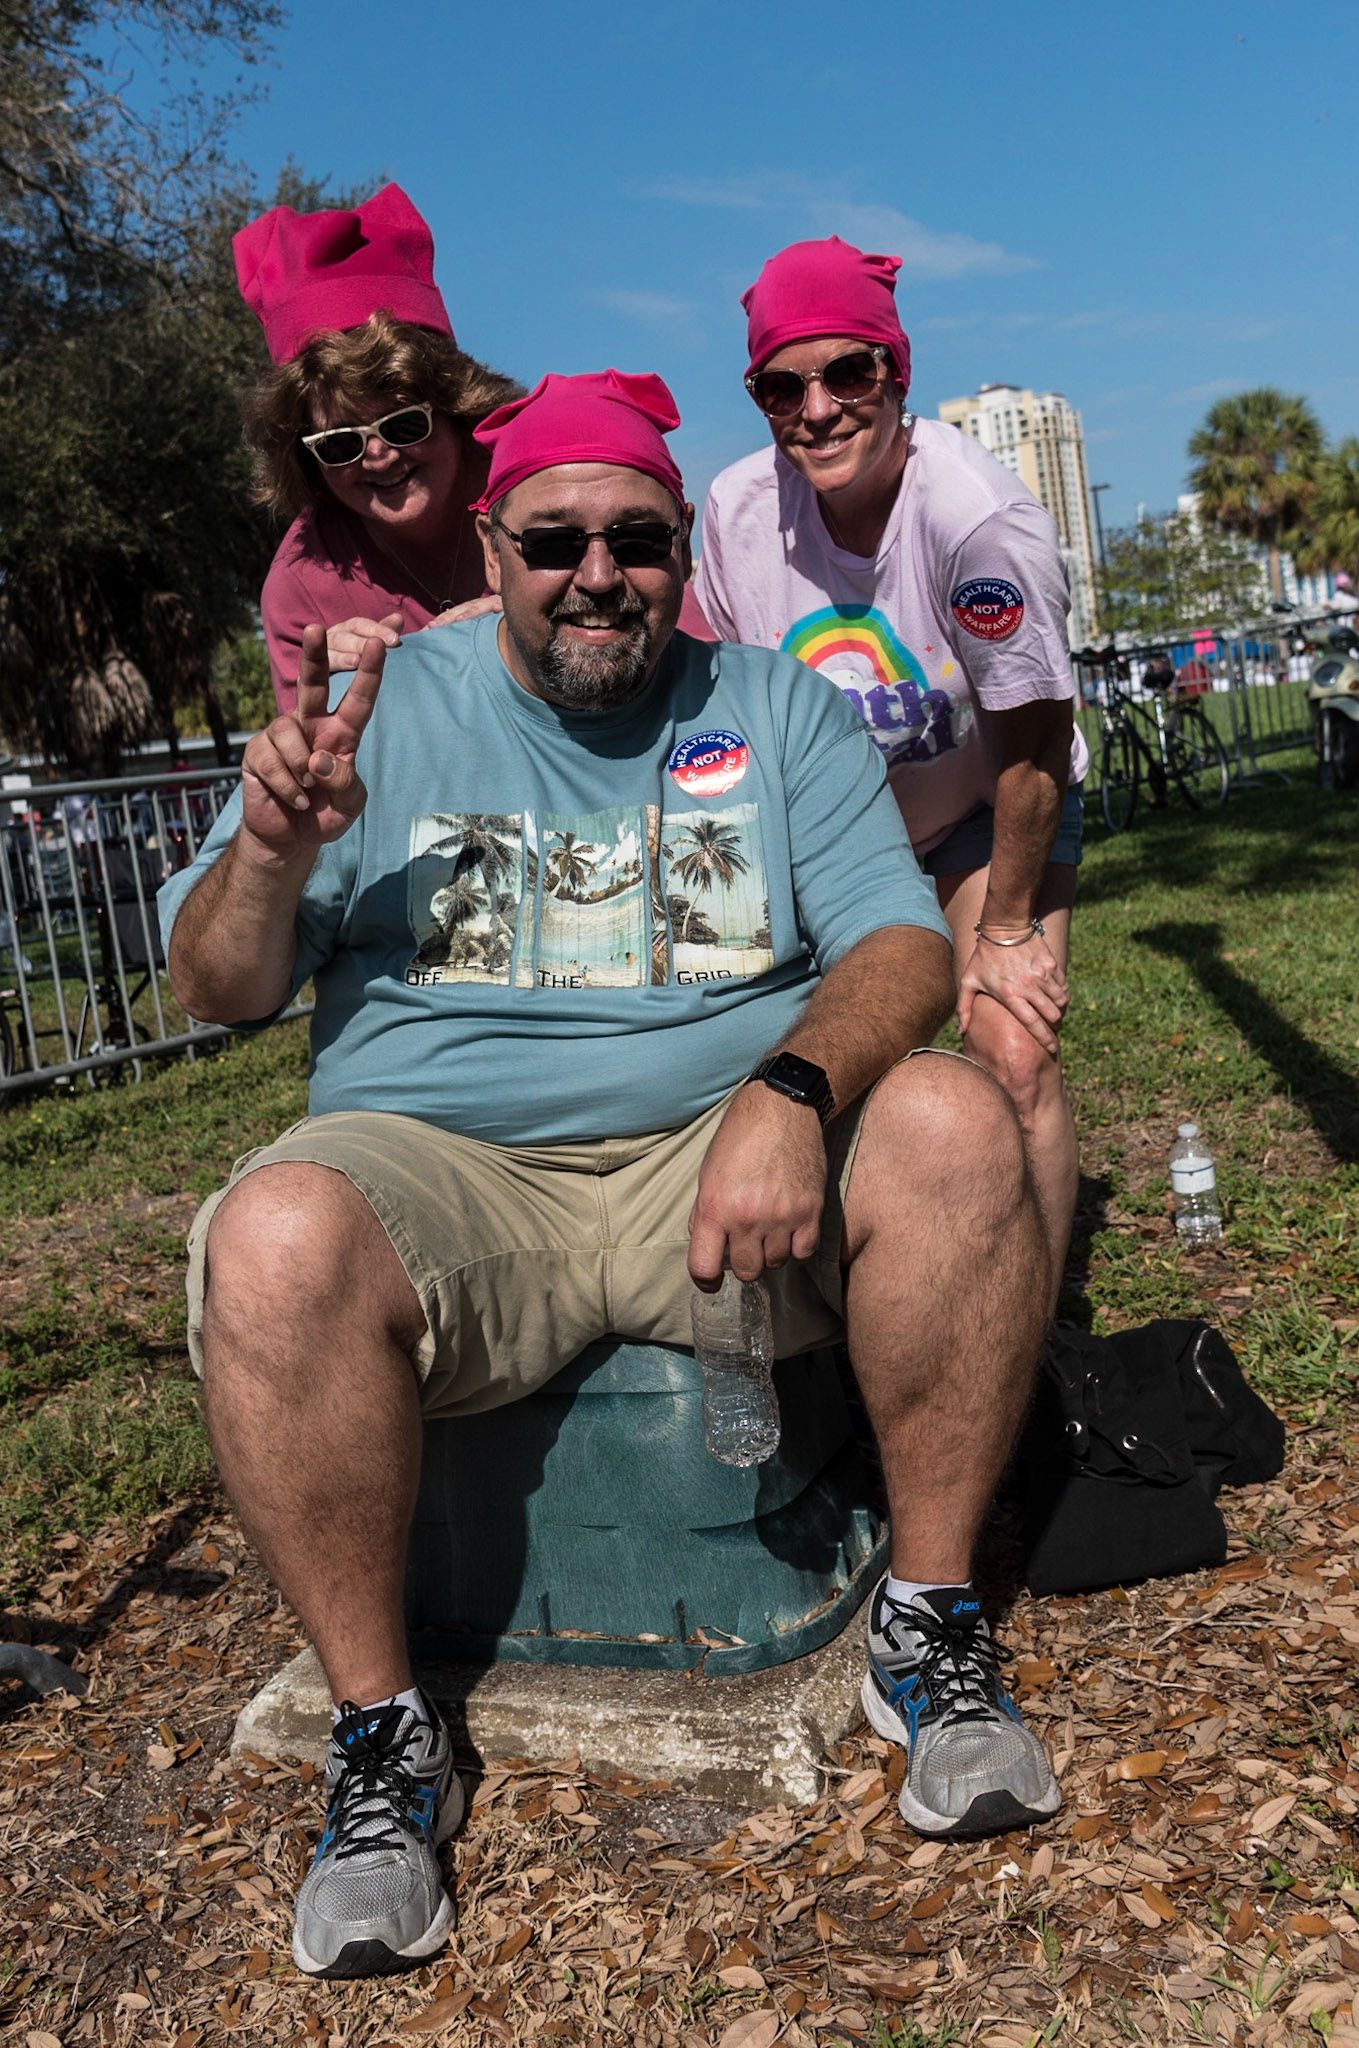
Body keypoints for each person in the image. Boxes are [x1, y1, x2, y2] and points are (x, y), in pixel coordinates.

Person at [160, 369, 1060, 1983]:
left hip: (711, 1167)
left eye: (636, 539)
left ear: (678, 556)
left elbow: (898, 936)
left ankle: (926, 1624)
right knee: (275, 1230)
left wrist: (791, 1087)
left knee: (948, 1117)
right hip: (443, 1171)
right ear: (491, 544)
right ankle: (381, 1744)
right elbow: (220, 989)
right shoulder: (385, 704)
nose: (597, 573)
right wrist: (274, 847)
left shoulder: (770, 704)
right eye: (555, 537)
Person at [697, 238, 1089, 1311]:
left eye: (847, 373)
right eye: (782, 384)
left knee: (1006, 1043)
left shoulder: (975, 521)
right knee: (784, 1059)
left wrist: (1004, 927)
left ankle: (1035, 1336)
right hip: (841, 833)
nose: (815, 408)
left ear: (895, 371)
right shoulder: (732, 517)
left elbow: (1034, 745)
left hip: (986, 803)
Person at [235, 186, 713, 713]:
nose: (376, 456)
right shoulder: (301, 587)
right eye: (340, 443)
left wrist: (527, 631)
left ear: (454, 405)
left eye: (402, 426)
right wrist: (338, 698)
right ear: (305, 457)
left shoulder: (546, 481)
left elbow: (697, 665)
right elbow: (314, 760)